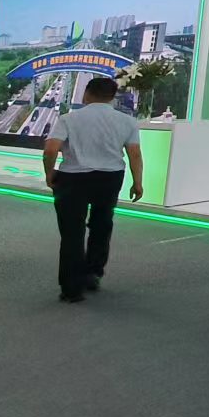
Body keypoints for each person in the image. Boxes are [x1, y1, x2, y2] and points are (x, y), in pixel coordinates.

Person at [41, 74, 143, 303]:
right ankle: (92, 274)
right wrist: (138, 182)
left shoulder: (69, 119)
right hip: (109, 178)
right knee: (101, 225)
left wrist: (49, 173)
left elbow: (50, 150)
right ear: (112, 97)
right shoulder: (127, 121)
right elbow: (134, 153)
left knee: (72, 233)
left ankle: (71, 289)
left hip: (73, 179)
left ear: (86, 93)